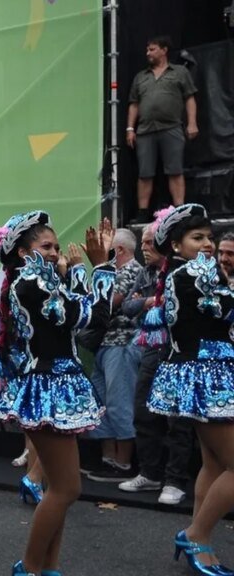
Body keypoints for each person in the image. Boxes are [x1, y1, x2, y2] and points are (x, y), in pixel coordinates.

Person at [0, 212, 115, 576]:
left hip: (55, 386)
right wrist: (101, 267)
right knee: (67, 489)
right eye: (47, 246)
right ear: (25, 254)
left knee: (60, 488)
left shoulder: (38, 283)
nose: (56, 252)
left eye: (57, 246)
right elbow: (92, 314)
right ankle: (28, 567)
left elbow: (74, 308)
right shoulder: (31, 284)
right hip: (49, 388)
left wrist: (76, 269)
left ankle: (49, 566)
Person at [146, 204, 234, 575]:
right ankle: (196, 534)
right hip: (206, 375)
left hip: (208, 371)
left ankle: (201, 536)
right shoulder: (194, 273)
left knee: (215, 462)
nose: (208, 244)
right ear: (177, 246)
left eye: (209, 237)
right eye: (198, 238)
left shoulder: (184, 273)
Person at [118, 221, 194, 505]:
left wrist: (148, 302)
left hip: (180, 352)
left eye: (151, 243)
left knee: (178, 422)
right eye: (144, 243)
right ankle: (150, 473)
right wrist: (151, 301)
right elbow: (127, 306)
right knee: (143, 412)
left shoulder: (184, 270)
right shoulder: (148, 272)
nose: (145, 248)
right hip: (152, 350)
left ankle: (175, 481)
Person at [85, 229, 143, 482]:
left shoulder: (131, 270)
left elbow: (105, 303)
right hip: (104, 345)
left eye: (106, 247)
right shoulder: (114, 271)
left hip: (120, 344)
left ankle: (123, 463)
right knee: (101, 402)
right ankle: (108, 459)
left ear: (118, 250)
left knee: (119, 401)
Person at [127, 35, 198, 222]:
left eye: (152, 49)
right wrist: (129, 128)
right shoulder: (141, 77)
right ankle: (142, 212)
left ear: (164, 50)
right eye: (147, 49)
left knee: (175, 170)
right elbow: (134, 103)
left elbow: (190, 98)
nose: (148, 53)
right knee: (145, 173)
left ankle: (180, 209)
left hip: (171, 127)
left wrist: (192, 123)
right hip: (145, 130)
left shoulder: (180, 72)